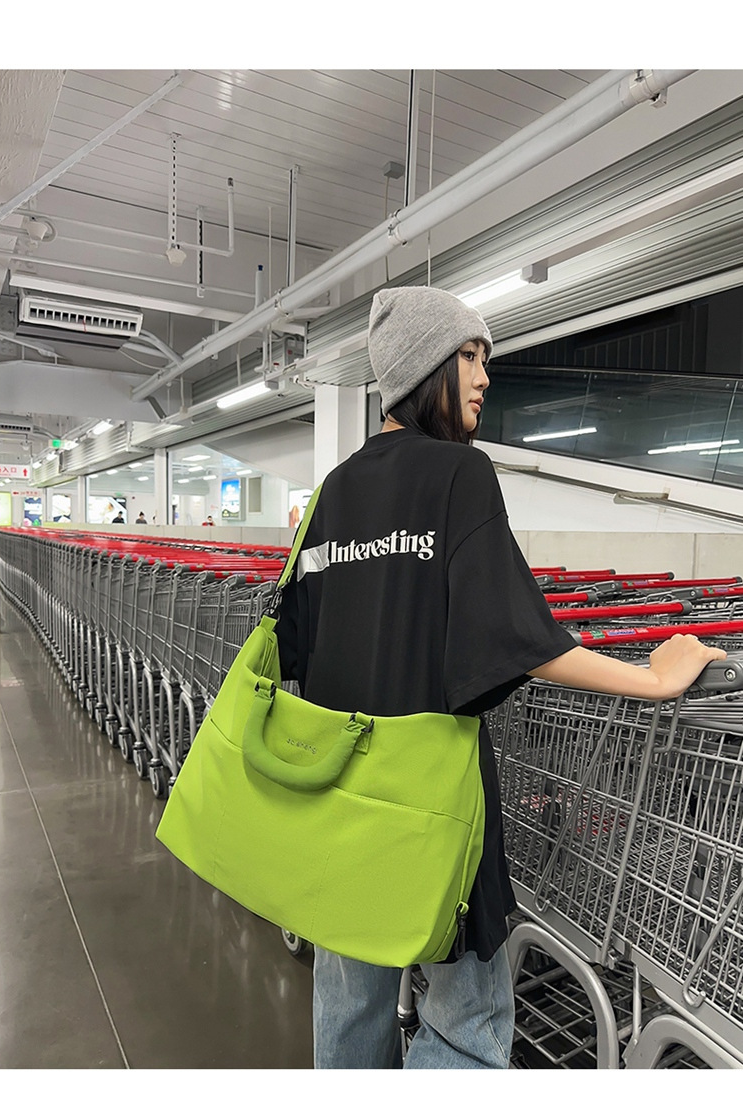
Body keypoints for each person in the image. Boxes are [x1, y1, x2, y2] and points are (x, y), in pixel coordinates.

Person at [276, 285, 725, 1071]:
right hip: (432, 801)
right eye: (469, 355)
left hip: (339, 797)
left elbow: (296, 646)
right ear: (426, 367)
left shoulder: (331, 493)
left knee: (349, 1005)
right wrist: (653, 678)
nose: (485, 376)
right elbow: (517, 638)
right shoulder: (460, 473)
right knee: (466, 1020)